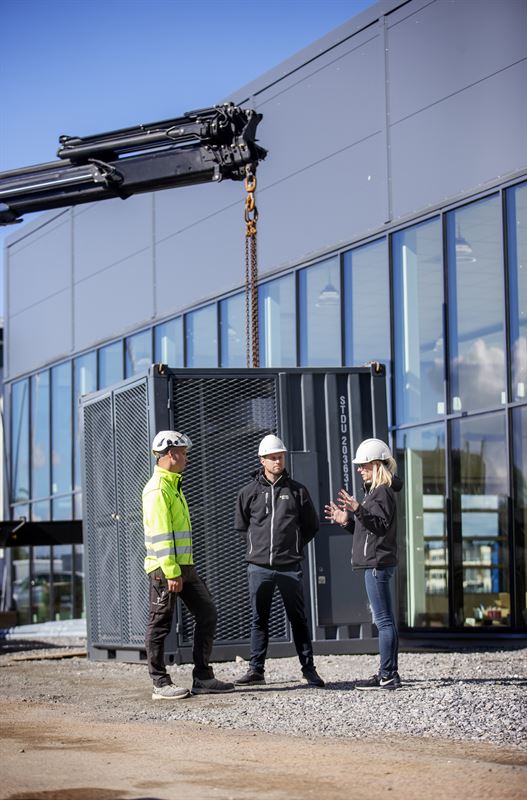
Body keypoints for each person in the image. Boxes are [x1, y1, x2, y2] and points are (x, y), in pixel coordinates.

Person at [143, 430, 235, 700]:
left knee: (207, 613)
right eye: (183, 453)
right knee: (160, 623)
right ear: (171, 454)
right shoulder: (158, 489)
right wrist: (172, 572)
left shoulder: (173, 485)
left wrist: (182, 569)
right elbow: (161, 536)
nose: (186, 458)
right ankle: (160, 684)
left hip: (184, 567)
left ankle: (203, 678)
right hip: (165, 569)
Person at [234, 434, 325, 688]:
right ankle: (256, 671)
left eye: (280, 457)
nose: (278, 461)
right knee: (259, 618)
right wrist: (257, 549)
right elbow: (242, 527)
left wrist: (292, 547)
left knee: (298, 619)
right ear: (262, 460)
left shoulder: (297, 491)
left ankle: (309, 670)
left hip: (289, 567)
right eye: (273, 457)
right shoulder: (248, 493)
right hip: (258, 567)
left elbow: (311, 526)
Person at [324, 437, 402, 690]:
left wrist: (358, 509)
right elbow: (368, 532)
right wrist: (346, 520)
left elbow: (380, 527)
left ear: (377, 464)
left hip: (377, 565)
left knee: (384, 621)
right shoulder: (375, 493)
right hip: (375, 563)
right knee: (385, 620)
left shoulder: (382, 492)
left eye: (364, 465)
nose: (359, 469)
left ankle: (387, 674)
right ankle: (388, 673)